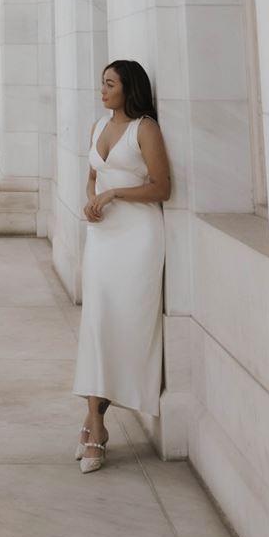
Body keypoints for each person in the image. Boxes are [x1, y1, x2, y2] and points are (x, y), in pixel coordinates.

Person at [72, 58, 171, 472]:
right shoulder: (98, 126)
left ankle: (94, 424)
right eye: (101, 83)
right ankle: (96, 421)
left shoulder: (144, 128)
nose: (103, 89)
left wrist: (114, 196)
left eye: (109, 83)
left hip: (138, 238)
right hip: (103, 238)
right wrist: (92, 198)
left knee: (125, 326)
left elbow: (162, 187)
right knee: (96, 322)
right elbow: (93, 176)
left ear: (128, 87)